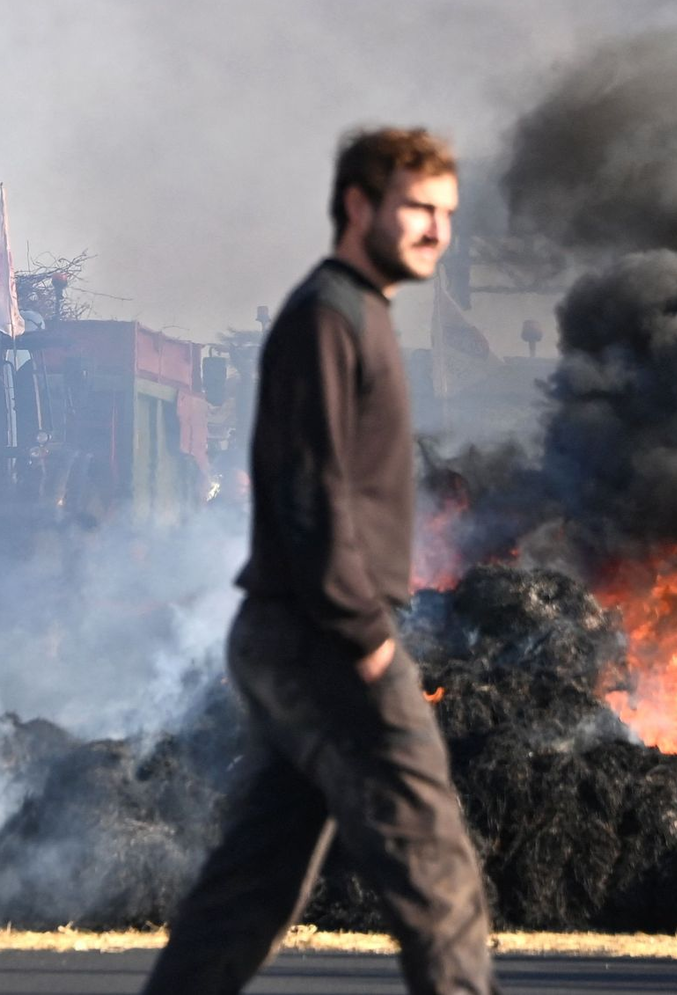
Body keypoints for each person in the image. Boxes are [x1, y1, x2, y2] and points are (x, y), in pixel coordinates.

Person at [141, 127, 499, 995]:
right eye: (417, 207)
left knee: (254, 883)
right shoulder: (328, 319)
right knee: (435, 863)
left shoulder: (360, 312)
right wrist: (366, 634)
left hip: (301, 632)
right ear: (357, 206)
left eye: (446, 213)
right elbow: (306, 493)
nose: (436, 231)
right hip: (323, 637)